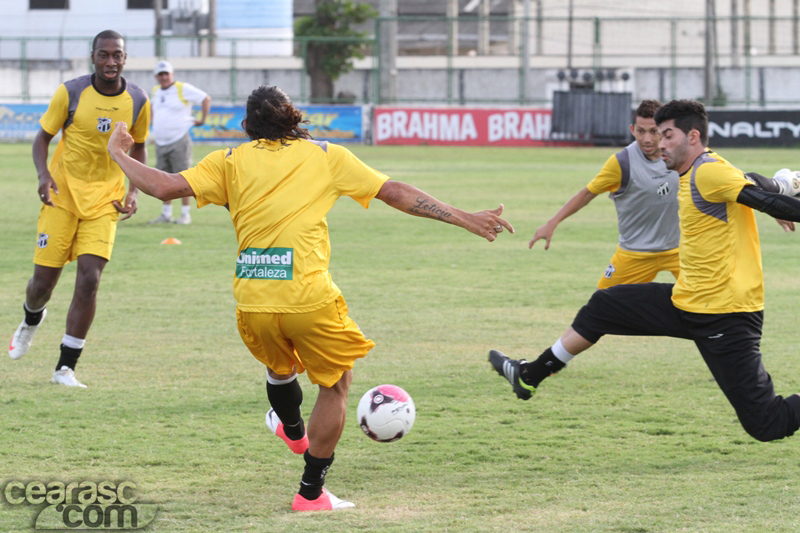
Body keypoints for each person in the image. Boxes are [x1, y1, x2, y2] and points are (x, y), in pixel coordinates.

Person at [107, 85, 513, 511]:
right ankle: (311, 494)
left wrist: (120, 153)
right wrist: (465, 218)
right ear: (294, 118)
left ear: (246, 127)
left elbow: (166, 187)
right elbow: (393, 191)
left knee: (279, 366)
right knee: (336, 384)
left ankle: (294, 431)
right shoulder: (325, 155)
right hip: (308, 297)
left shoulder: (227, 161)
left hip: (252, 299)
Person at [489, 99, 800, 443]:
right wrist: (783, 182)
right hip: (690, 302)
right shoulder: (699, 170)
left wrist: (778, 197)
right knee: (605, 305)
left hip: (724, 314)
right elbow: (755, 186)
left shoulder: (709, 171)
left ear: (693, 136)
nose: (659, 143)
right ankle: (530, 375)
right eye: (655, 133)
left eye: (667, 135)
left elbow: (762, 197)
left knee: (767, 424)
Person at [8, 30, 149, 388]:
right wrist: (43, 176)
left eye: (117, 55)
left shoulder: (137, 99)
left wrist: (134, 190)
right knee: (42, 284)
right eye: (104, 55)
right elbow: (43, 137)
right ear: (93, 58)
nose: (110, 62)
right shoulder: (70, 92)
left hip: (105, 201)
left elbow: (139, 147)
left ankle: (65, 368)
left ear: (125, 58)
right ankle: (31, 318)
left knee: (90, 278)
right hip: (62, 196)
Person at [529, 100, 681, 289]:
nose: (647, 139)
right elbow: (586, 194)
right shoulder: (622, 163)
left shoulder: (681, 155)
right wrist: (553, 222)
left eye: (653, 131)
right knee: (602, 307)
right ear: (632, 129)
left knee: (709, 302)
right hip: (635, 253)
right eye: (641, 131)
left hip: (680, 251)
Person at [148, 60, 211, 225]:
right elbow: (152, 109)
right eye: (160, 74)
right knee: (163, 178)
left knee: (183, 178)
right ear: (156, 76)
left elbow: (205, 98)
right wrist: (154, 124)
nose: (163, 77)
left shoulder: (182, 89)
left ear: (172, 74)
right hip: (161, 142)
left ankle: (185, 214)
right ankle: (166, 214)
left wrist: (202, 120)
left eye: (166, 74)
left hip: (179, 140)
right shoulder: (156, 91)